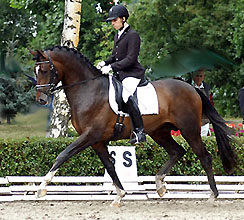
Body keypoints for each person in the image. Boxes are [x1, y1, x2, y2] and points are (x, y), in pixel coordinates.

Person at [96, 4, 146, 144]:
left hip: (133, 73)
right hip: (121, 73)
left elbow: (130, 59)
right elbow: (114, 56)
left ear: (123, 19)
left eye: (114, 20)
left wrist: (111, 67)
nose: (112, 23)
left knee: (125, 95)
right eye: (111, 21)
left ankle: (140, 132)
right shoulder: (118, 34)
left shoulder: (133, 35)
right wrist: (104, 62)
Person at [187, 69, 212, 136]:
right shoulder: (186, 85)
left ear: (203, 77)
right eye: (197, 76)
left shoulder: (206, 87)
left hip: (204, 120)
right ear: (193, 76)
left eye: (200, 76)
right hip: (190, 120)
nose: (198, 78)